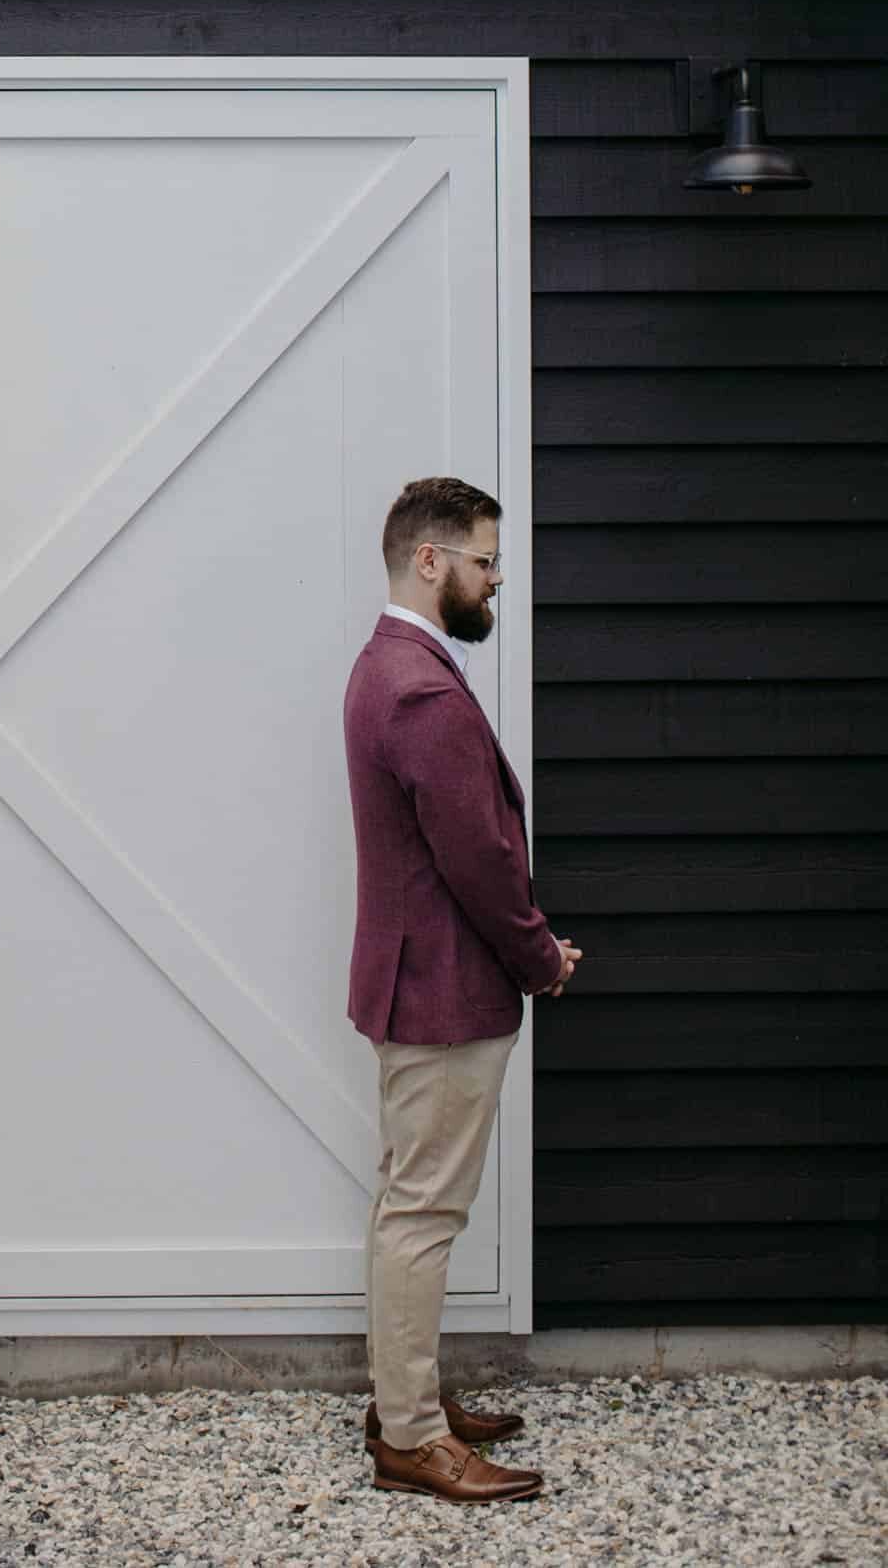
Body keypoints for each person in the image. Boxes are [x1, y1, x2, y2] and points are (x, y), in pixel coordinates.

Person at [343, 477, 583, 1506]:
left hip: (418, 983)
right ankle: (408, 1436)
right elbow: (479, 860)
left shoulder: (386, 667)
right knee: (422, 1213)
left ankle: (411, 1402)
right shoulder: (423, 689)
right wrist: (541, 958)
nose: (494, 582)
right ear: (431, 561)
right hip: (444, 994)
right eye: (486, 562)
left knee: (408, 1201)